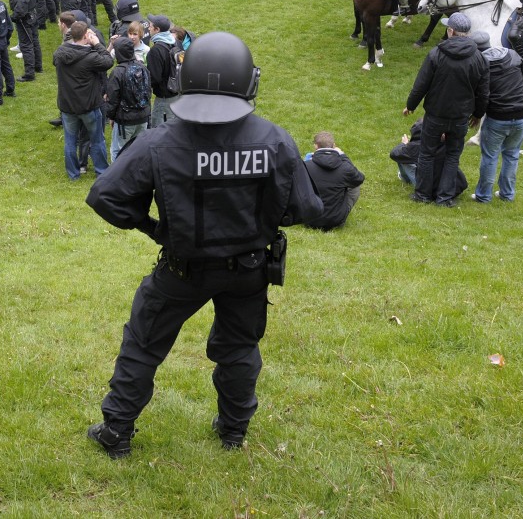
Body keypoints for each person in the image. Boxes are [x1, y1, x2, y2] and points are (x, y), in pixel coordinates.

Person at [84, 32, 324, 457]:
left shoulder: (159, 141)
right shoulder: (276, 140)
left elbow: (106, 196)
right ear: (249, 82)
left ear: (183, 78)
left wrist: (152, 227)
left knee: (143, 344)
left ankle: (116, 431)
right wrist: (265, 219)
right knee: (239, 349)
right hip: (248, 270)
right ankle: (233, 430)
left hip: (182, 269)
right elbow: (308, 207)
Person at [402, 12, 489, 207]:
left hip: (435, 114)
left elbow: (421, 84)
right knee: (452, 156)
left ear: (450, 31)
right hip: (460, 117)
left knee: (426, 153)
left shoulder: (436, 54)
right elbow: (483, 92)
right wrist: (477, 114)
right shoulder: (478, 58)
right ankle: (445, 198)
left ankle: (422, 194)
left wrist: (411, 105)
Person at [470, 30, 523, 203]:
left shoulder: (480, 65)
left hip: (497, 118)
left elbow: (482, 96)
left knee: (490, 156)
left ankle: (484, 195)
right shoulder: (513, 55)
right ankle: (507, 194)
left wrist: (477, 115)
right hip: (521, 115)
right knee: (512, 154)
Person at [53, 20, 113, 180]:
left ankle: (73, 174)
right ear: (86, 35)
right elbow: (108, 61)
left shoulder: (60, 52)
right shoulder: (90, 57)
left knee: (70, 142)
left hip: (67, 106)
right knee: (97, 139)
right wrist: (98, 44)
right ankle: (102, 171)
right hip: (89, 107)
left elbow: (57, 59)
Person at [303, 132, 364, 230]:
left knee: (301, 183)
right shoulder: (345, 167)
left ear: (316, 146)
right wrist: (343, 156)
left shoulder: (306, 166)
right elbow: (359, 178)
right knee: (354, 184)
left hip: (309, 219)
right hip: (336, 220)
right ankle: (340, 213)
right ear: (334, 146)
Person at [103, 37, 150, 163]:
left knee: (118, 151)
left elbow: (112, 100)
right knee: (139, 150)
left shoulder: (117, 72)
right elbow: (148, 92)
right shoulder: (142, 67)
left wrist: (111, 117)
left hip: (125, 120)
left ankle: (117, 180)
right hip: (143, 117)